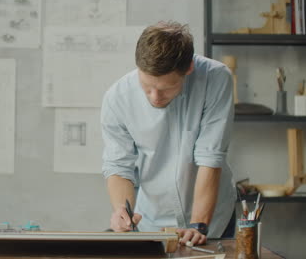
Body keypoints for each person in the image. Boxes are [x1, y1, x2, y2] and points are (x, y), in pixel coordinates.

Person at [101, 21, 236, 246]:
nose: (155, 97)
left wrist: (198, 224)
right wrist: (121, 212)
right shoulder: (117, 98)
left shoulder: (216, 79)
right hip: (151, 222)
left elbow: (210, 157)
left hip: (213, 220)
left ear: (188, 69)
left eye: (165, 88)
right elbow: (119, 166)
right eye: (147, 87)